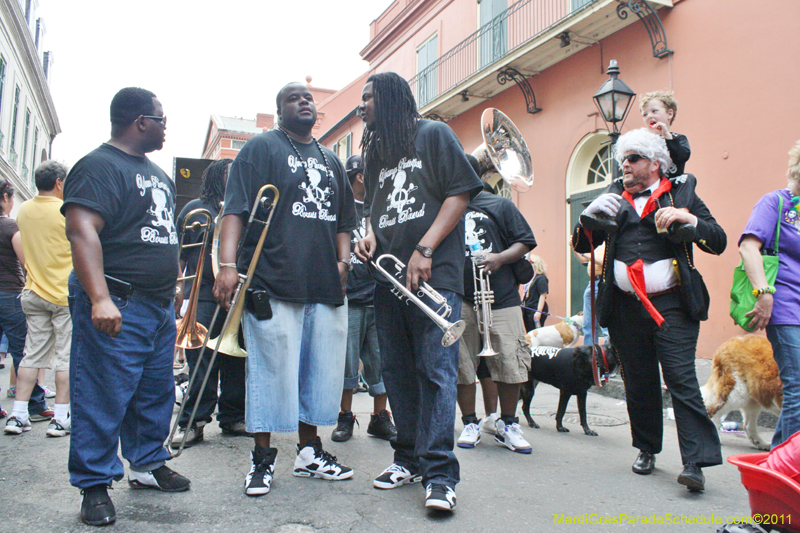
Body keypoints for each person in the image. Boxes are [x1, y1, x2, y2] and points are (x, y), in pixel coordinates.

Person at [214, 82, 357, 497]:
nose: (304, 102)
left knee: (320, 373)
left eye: (308, 98)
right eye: (293, 98)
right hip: (273, 281)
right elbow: (234, 209)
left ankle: (310, 452)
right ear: (280, 111)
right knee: (271, 375)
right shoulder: (261, 148)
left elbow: (345, 220)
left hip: (325, 285)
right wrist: (227, 265)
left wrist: (344, 261)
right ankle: (262, 462)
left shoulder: (332, 159)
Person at [572, 127, 726, 492]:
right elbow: (581, 243)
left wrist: (689, 220)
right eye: (623, 159)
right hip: (625, 308)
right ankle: (646, 448)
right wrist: (585, 219)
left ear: (655, 164)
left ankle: (695, 462)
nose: (624, 164)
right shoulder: (612, 196)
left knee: (680, 379)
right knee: (639, 383)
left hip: (672, 304)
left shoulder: (678, 194)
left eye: (633, 158)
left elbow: (717, 240)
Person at [355, 71, 482, 512]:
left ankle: (441, 474)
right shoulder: (375, 154)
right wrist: (369, 234)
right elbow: (373, 207)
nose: (363, 105)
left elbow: (460, 193)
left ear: (390, 99)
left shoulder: (434, 135)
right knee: (398, 373)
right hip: (388, 278)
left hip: (433, 275)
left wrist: (425, 247)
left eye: (369, 98)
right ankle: (407, 457)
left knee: (435, 373)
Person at [63, 87, 190, 526]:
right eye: (160, 118)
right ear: (140, 121)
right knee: (101, 393)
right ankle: (94, 484)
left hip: (154, 305)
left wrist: (172, 283)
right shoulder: (98, 166)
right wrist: (99, 297)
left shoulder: (158, 174)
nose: (164, 125)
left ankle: (147, 463)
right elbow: (82, 231)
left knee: (154, 392)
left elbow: (162, 233)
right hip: (117, 298)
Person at [171, 158, 249, 448]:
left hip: (236, 294)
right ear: (218, 177)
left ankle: (233, 417)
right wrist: (178, 286)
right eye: (232, 174)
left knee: (235, 360)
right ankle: (193, 422)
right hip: (202, 293)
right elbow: (178, 253)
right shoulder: (195, 210)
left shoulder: (243, 209)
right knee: (200, 361)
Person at [457, 174, 536, 454]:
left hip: (501, 297)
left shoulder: (499, 205)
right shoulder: (448, 206)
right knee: (462, 364)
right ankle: (470, 422)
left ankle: (509, 424)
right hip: (461, 297)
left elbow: (525, 241)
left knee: (510, 363)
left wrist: (500, 258)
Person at [739, 138, 800, 449]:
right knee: (798, 386)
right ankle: (783, 466)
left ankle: (782, 460)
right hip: (786, 304)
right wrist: (764, 291)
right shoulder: (775, 202)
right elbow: (749, 246)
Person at [331, 154, 396, 443]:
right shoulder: (342, 207)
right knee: (347, 362)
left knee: (380, 361)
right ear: (361, 176)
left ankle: (379, 418)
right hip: (351, 296)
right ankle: (345, 416)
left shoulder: (380, 209)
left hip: (378, 294)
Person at [5, 161, 72, 439]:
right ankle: (60, 418)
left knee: (30, 356)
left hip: (33, 292)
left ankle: (18, 414)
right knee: (65, 358)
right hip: (64, 294)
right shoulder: (65, 211)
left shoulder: (24, 211)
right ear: (59, 182)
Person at [0, 179, 51, 425]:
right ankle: (35, 404)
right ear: (5, 199)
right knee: (23, 351)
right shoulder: (10, 227)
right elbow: (26, 262)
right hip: (9, 294)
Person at [640, 90, 690, 179]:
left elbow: (682, 157)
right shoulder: (643, 141)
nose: (649, 116)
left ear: (670, 114)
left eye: (654, 111)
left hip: (673, 187)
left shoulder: (678, 138)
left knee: (690, 178)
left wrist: (667, 137)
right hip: (652, 187)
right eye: (645, 114)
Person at [571, 242, 608, 344]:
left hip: (602, 282)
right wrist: (575, 248)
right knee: (588, 324)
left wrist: (584, 253)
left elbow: (605, 261)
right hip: (592, 283)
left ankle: (609, 354)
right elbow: (584, 261)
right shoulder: (598, 246)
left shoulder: (608, 244)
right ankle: (589, 354)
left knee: (605, 324)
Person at [522, 254, 548, 331]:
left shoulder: (541, 278)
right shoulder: (532, 278)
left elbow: (543, 295)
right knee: (529, 332)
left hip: (535, 309)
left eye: (530, 262)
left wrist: (538, 311)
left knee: (536, 333)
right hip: (528, 308)